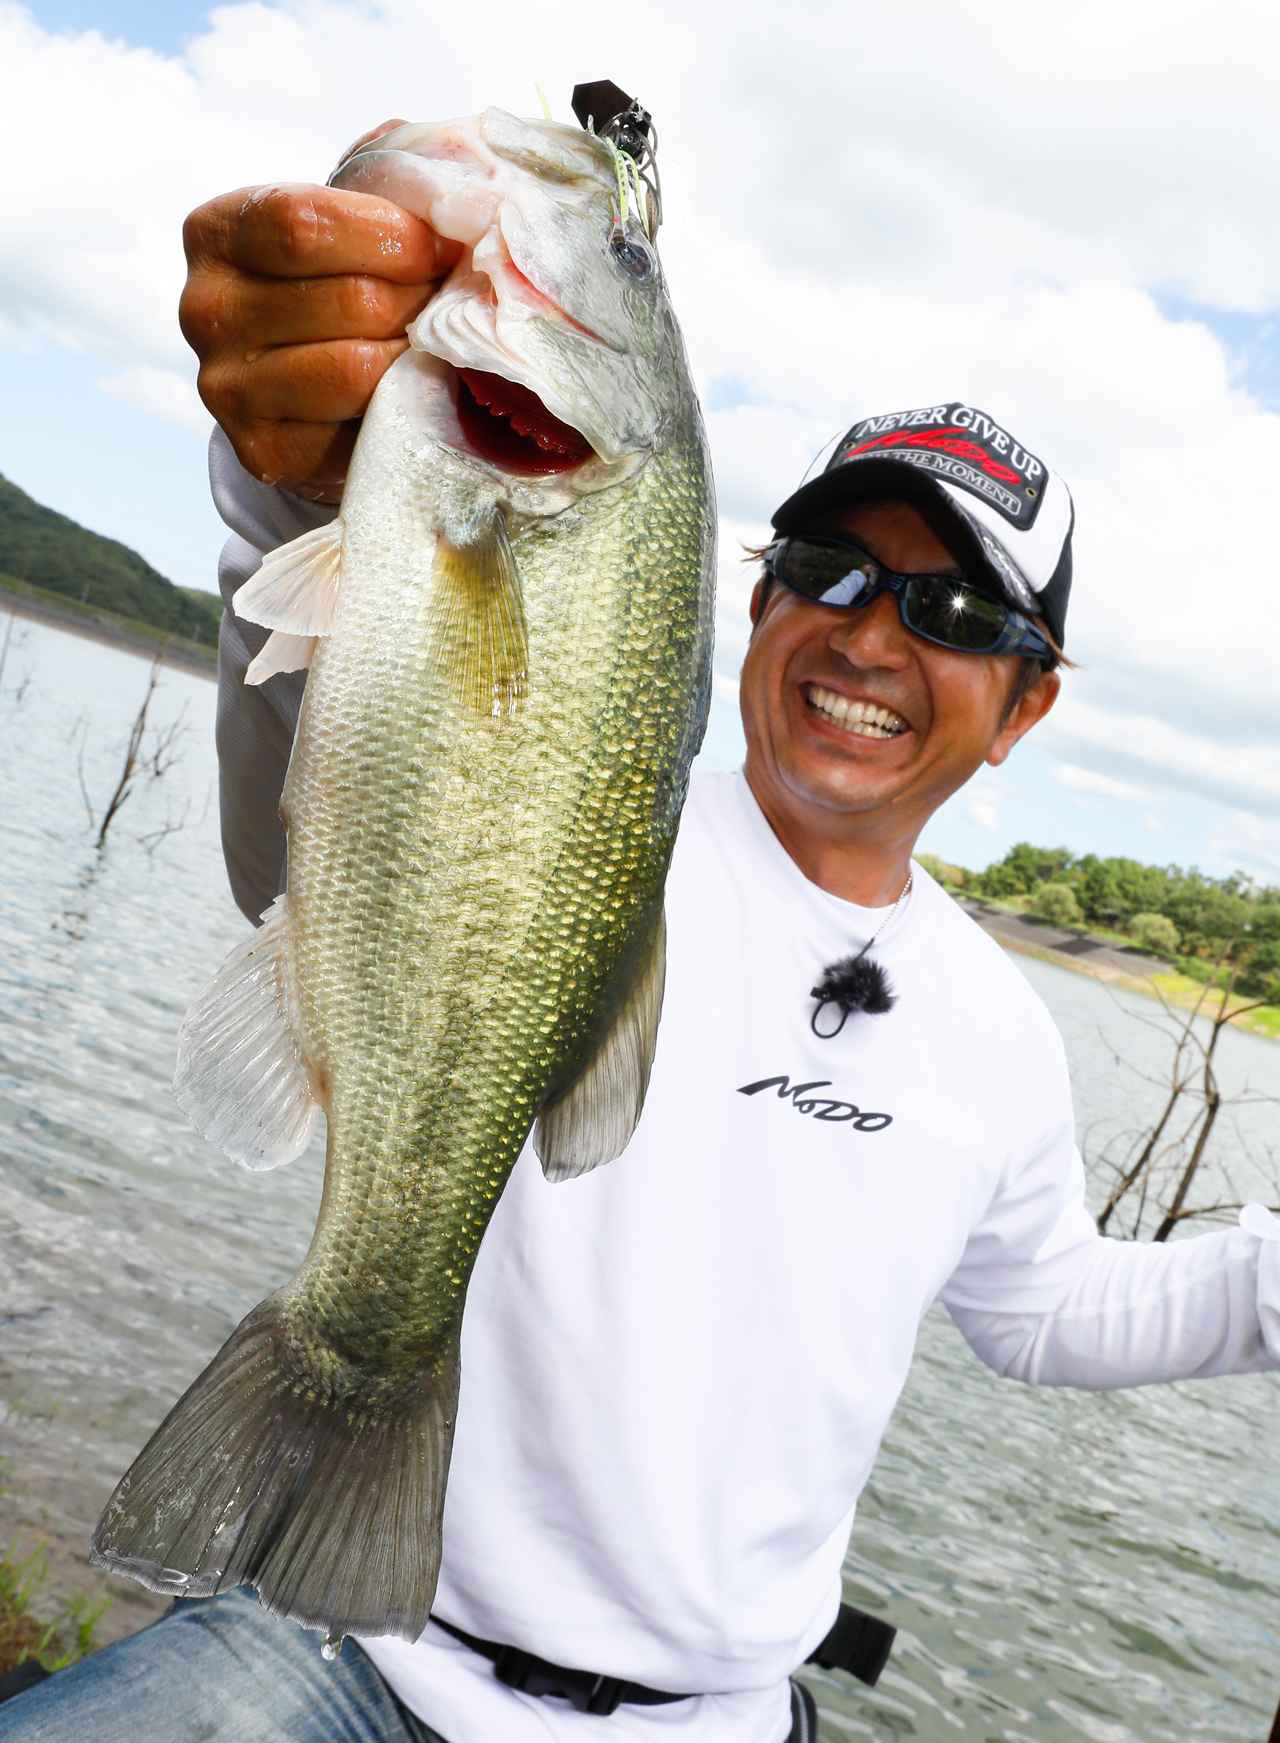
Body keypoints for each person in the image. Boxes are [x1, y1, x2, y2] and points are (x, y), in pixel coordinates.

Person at [5, 125, 1280, 1743]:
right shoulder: (609, 816)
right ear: (750, 602)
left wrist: (1264, 1282)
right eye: (829, 568)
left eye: (956, 611)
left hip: (726, 1720)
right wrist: (287, 483)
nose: (872, 635)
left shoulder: (1004, 1033)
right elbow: (302, 820)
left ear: (1025, 707)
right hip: (345, 1666)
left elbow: (1041, 1314)